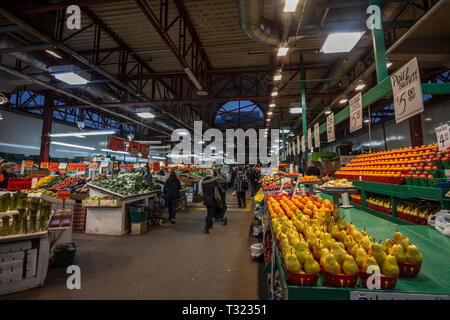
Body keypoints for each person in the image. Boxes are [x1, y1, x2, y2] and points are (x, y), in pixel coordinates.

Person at [199, 169, 225, 234]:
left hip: (206, 199)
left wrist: (204, 196)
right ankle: (207, 226)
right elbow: (220, 189)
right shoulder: (214, 180)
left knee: (209, 211)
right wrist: (222, 195)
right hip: (213, 199)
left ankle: (210, 225)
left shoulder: (202, 180)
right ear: (212, 173)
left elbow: (200, 191)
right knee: (210, 213)